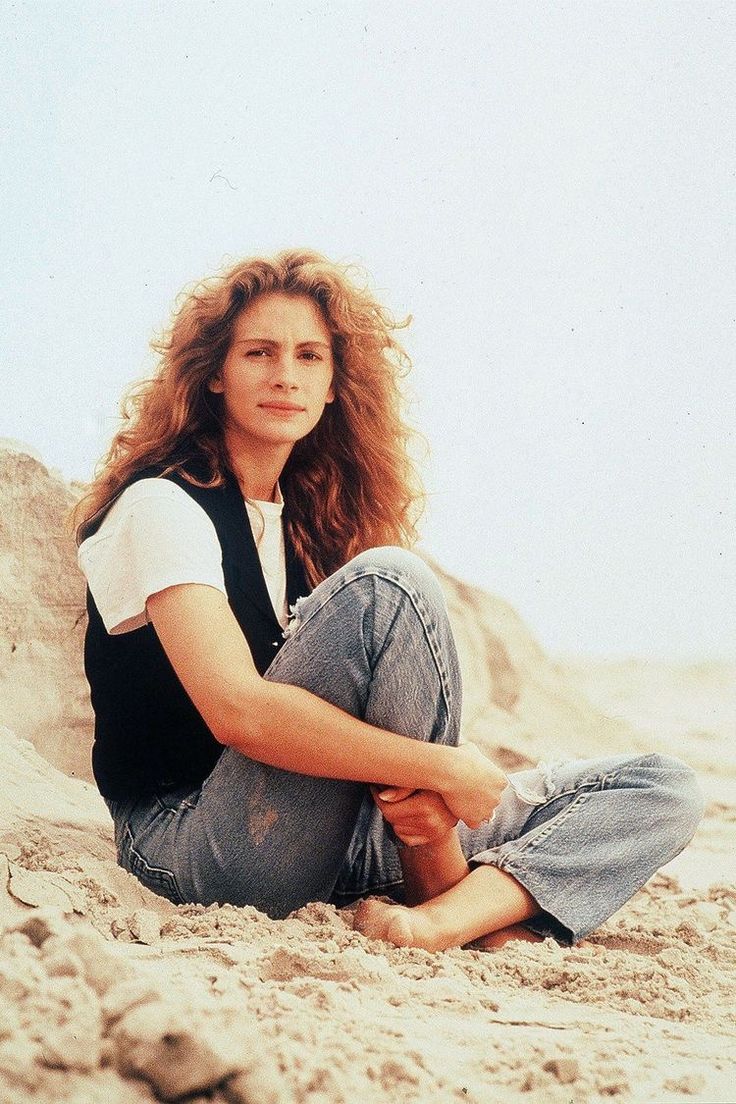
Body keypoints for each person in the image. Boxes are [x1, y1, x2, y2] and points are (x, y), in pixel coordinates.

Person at [74, 249, 703, 951]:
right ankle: (451, 888)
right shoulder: (162, 506)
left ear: (336, 383)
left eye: (310, 356)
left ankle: (442, 920)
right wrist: (446, 769)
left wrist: (434, 789)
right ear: (215, 373)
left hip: (331, 834)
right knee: (392, 583)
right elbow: (238, 711)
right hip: (194, 842)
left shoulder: (305, 524)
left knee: (662, 789)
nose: (286, 374)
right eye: (260, 352)